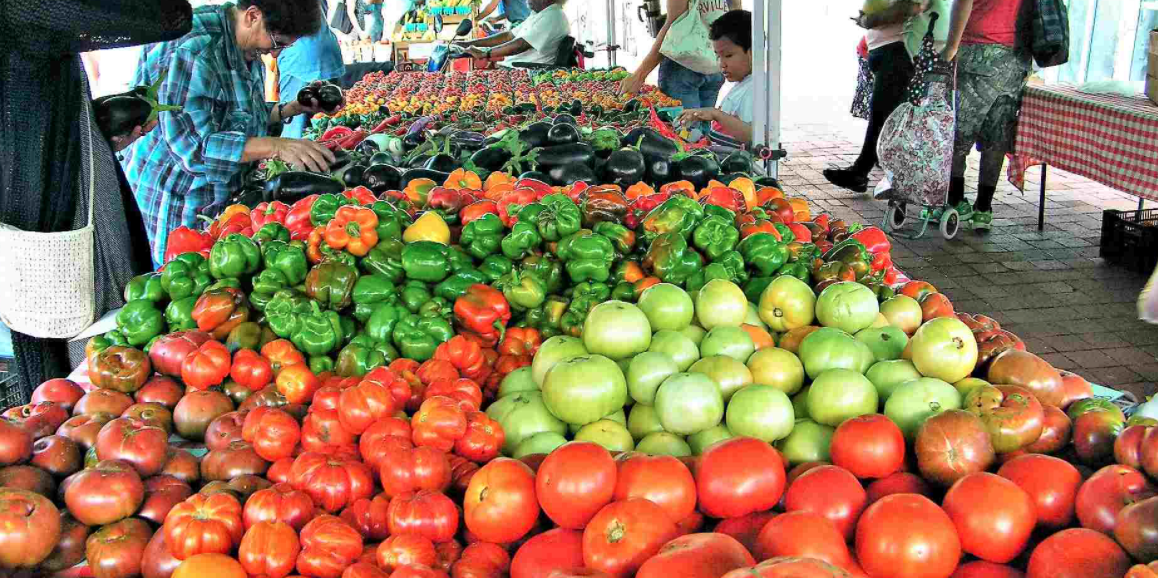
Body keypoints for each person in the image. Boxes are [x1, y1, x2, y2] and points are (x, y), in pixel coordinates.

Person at [0, 0, 193, 399]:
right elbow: (166, 15)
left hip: (49, 154)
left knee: (52, 304)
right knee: (69, 311)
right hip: (44, 180)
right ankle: (73, 411)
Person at [122, 0, 340, 269]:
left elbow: (240, 117)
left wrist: (290, 108)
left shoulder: (245, 45)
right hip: (177, 199)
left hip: (220, 199)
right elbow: (194, 149)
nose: (274, 54)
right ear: (252, 15)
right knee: (177, 284)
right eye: (277, 42)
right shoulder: (191, 48)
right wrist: (276, 146)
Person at [824, 0, 949, 193]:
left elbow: (913, 7)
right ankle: (864, 171)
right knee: (883, 117)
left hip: (899, 50)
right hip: (890, 50)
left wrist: (868, 20)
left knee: (885, 118)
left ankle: (868, 173)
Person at [940, 0, 1032, 232]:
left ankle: (956, 202)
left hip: (977, 55)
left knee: (957, 135)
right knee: (997, 138)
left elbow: (963, 3)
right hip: (1015, 59)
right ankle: (983, 209)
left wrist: (951, 47)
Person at [618, 0, 740, 124]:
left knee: (682, 135)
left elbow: (673, 28)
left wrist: (639, 75)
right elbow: (736, 15)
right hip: (715, 65)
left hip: (683, 68)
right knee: (701, 135)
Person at [677, 9, 753, 148]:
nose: (722, 64)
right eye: (718, 56)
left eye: (728, 56)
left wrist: (716, 114)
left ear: (753, 52)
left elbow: (753, 136)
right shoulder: (743, 84)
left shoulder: (756, 89)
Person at [278, 0, 346, 139]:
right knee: (331, 120)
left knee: (293, 128)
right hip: (326, 48)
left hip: (300, 55)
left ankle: (292, 160)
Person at [453, 0, 570, 68]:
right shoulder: (538, 15)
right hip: (515, 68)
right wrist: (469, 43)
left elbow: (520, 45)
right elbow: (509, 36)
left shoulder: (552, 16)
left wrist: (485, 53)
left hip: (524, 72)